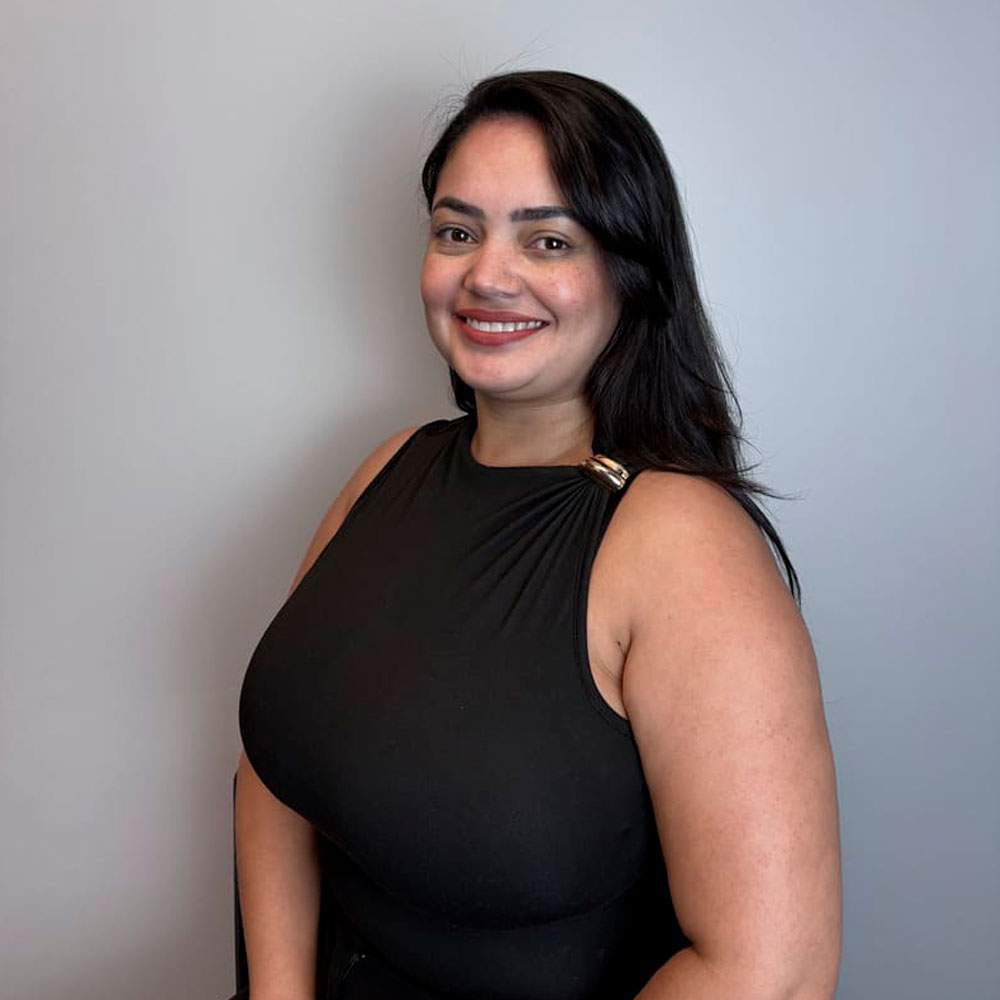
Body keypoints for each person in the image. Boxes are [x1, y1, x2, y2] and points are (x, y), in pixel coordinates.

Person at [234, 70, 841, 1000]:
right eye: (457, 231)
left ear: (631, 273)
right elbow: (278, 762)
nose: (486, 274)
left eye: (548, 240)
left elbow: (770, 973)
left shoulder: (680, 545)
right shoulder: (390, 467)